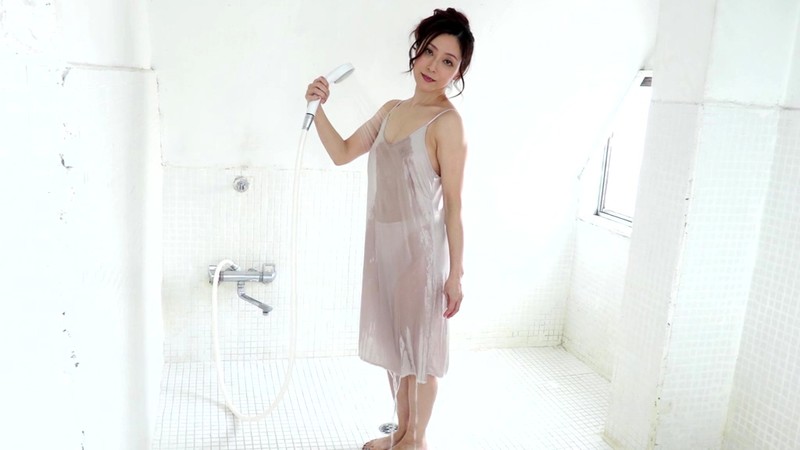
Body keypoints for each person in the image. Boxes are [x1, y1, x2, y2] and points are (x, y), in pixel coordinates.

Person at [305, 8, 474, 450]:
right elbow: (342, 152)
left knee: (420, 358)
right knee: (397, 354)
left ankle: (414, 442)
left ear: (458, 72)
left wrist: (455, 274)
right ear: (416, 52)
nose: (433, 66)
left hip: (421, 255)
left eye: (448, 61)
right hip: (383, 250)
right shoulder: (390, 111)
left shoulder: (447, 123)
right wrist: (317, 109)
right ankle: (402, 434)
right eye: (429, 52)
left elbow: (454, 206)